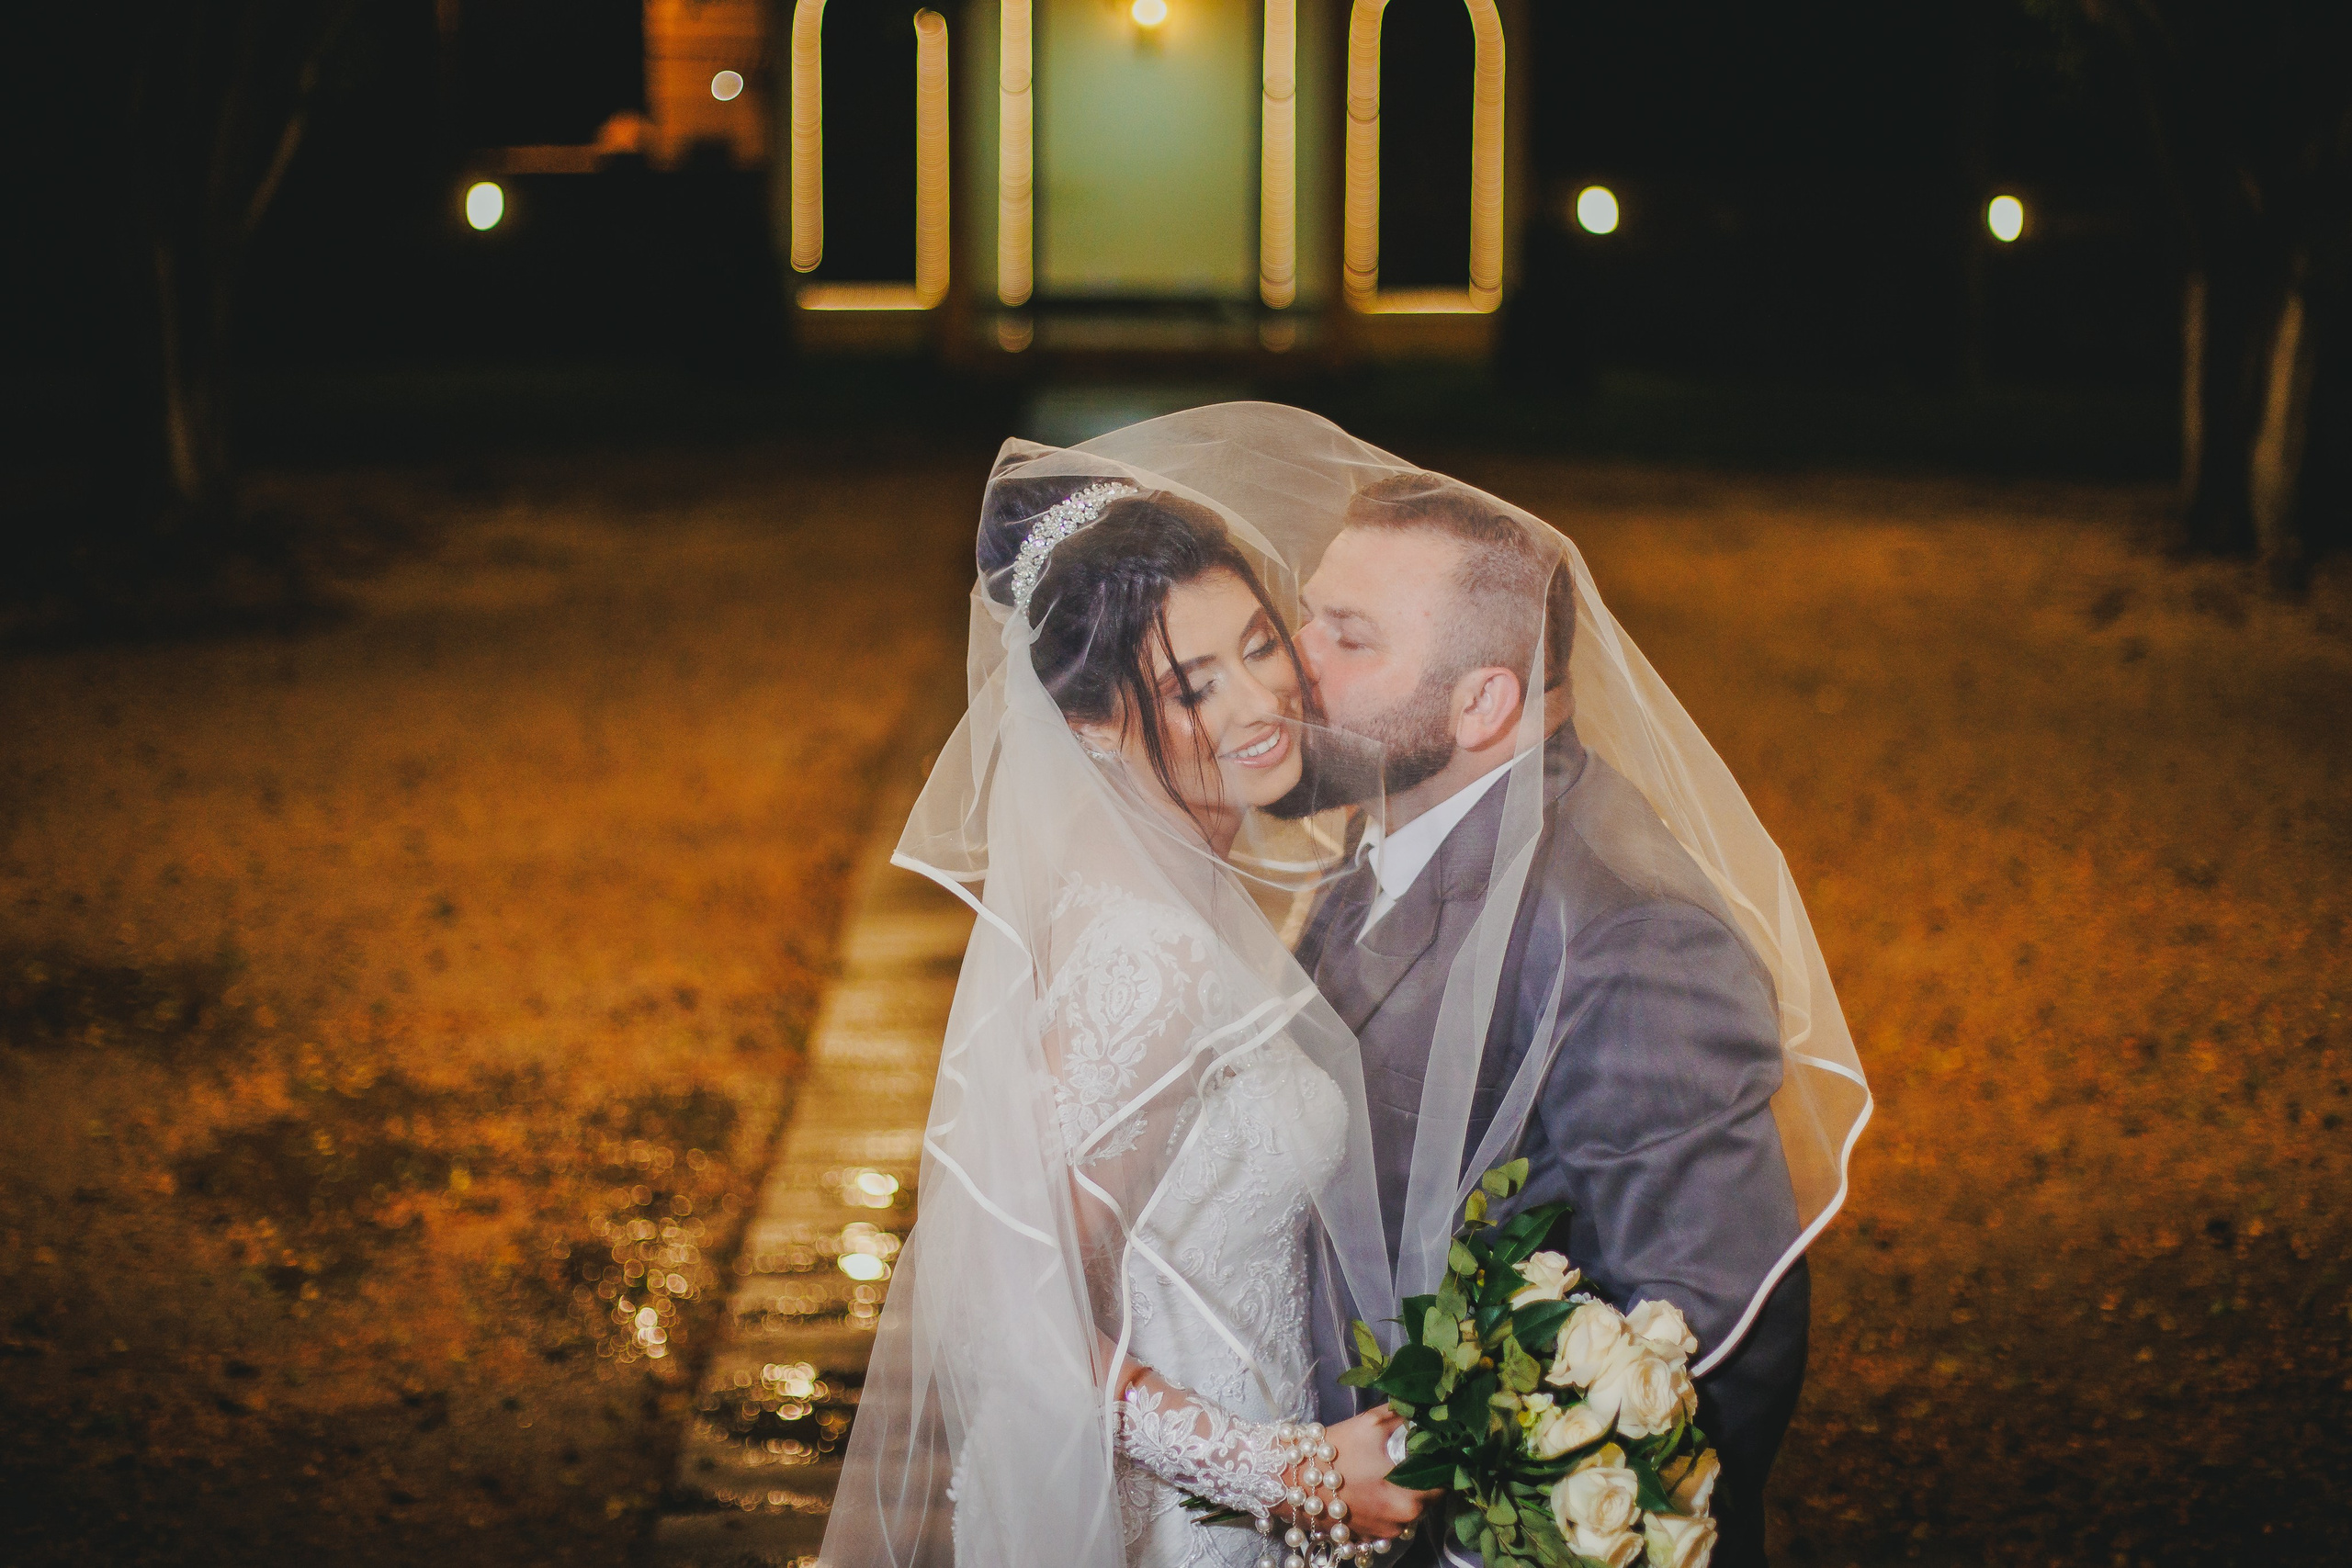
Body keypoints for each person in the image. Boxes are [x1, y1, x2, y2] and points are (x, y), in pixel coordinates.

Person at [1074, 405, 1872, 1568]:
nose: (1293, 662)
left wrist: (1494, 1539)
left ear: (1482, 704)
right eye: (1307, 615)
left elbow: (1713, 1336)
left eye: (1348, 636)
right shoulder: (1399, 820)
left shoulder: (1631, 934)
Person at [823, 456, 1430, 1568]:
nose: (1261, 702)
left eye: (1259, 645)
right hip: (1174, 1527)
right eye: (1194, 686)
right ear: (1094, 726)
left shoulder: (1167, 896)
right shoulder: (1152, 958)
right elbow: (1011, 1313)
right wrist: (1284, 1474)